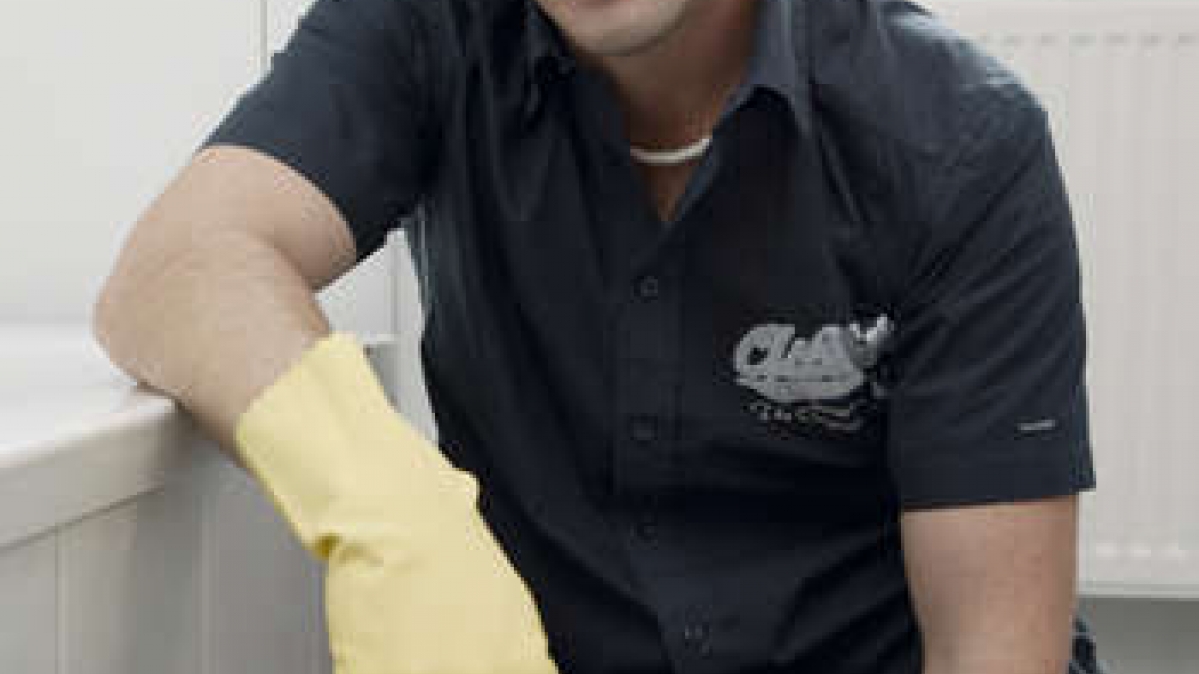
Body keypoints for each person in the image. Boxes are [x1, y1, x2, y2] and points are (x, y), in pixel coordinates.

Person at [93, 0, 1112, 672]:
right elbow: (182, 261)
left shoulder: (959, 142)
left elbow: (992, 654)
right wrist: (398, 515)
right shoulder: (427, 30)